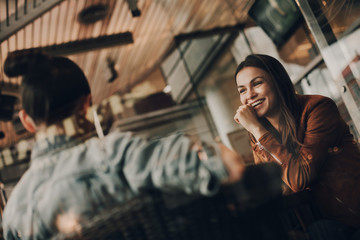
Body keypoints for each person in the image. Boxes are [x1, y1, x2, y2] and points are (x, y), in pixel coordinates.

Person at [2, 50, 244, 240]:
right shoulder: (114, 155)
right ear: (87, 105)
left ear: (27, 121)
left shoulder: (13, 214)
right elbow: (229, 165)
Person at [233, 54, 360, 239]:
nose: (250, 95)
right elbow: (274, 187)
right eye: (242, 90)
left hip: (352, 219)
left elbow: (299, 178)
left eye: (257, 83)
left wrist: (255, 128)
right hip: (319, 224)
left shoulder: (317, 108)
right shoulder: (259, 134)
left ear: (278, 82)